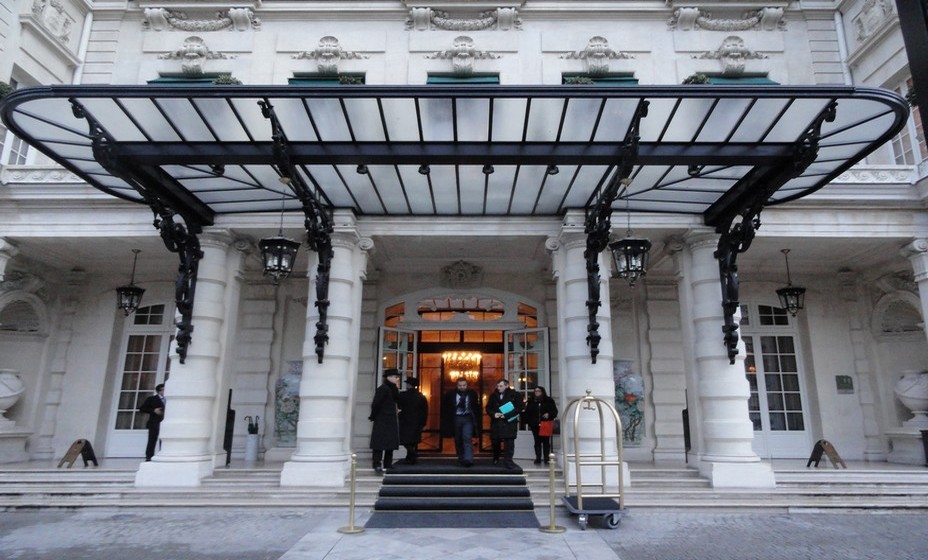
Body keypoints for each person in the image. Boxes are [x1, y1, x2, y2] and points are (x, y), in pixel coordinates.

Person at [441, 377, 479, 467]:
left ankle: (468, 459)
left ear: (467, 385)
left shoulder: (472, 394)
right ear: (457, 385)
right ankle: (461, 457)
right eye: (460, 385)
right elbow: (445, 407)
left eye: (464, 385)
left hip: (468, 417)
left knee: (467, 437)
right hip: (456, 418)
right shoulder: (450, 394)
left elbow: (476, 406)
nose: (462, 387)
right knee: (458, 439)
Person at [486, 378, 523, 470]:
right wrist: (494, 414)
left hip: (509, 422)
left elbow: (519, 408)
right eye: (497, 386)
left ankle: (508, 461)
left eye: (501, 386)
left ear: (506, 386)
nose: (498, 388)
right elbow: (488, 408)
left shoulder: (515, 395)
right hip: (496, 422)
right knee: (495, 442)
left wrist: (506, 415)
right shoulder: (493, 395)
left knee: (509, 443)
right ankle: (496, 458)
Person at [369, 369, 401, 475]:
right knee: (379, 443)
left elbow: (397, 400)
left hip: (390, 419)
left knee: (390, 443)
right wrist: (373, 416)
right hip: (382, 419)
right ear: (389, 377)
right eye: (395, 377)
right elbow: (376, 404)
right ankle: (377, 463)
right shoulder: (383, 389)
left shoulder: (393, 389)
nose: (397, 379)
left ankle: (388, 463)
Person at [397, 375, 429, 465]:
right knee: (413, 441)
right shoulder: (421, 396)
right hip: (417, 421)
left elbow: (399, 406)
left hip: (405, 420)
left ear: (409, 385)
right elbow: (425, 410)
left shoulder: (403, 395)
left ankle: (412, 455)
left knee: (404, 440)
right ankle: (410, 457)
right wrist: (424, 422)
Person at [523, 386, 558, 465]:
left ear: (542, 392)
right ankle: (538, 458)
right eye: (535, 391)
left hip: (546, 423)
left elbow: (554, 411)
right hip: (535, 424)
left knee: (546, 442)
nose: (537, 392)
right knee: (537, 441)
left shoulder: (549, 400)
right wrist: (529, 422)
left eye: (538, 391)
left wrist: (549, 414)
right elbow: (527, 413)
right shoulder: (531, 401)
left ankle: (546, 458)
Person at [139, 383, 165, 461]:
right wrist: (154, 410)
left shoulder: (169, 399)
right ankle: (149, 456)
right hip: (154, 422)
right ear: (159, 391)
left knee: (164, 440)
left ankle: (163, 455)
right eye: (163, 390)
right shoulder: (152, 399)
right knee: (152, 440)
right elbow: (142, 409)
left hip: (165, 423)